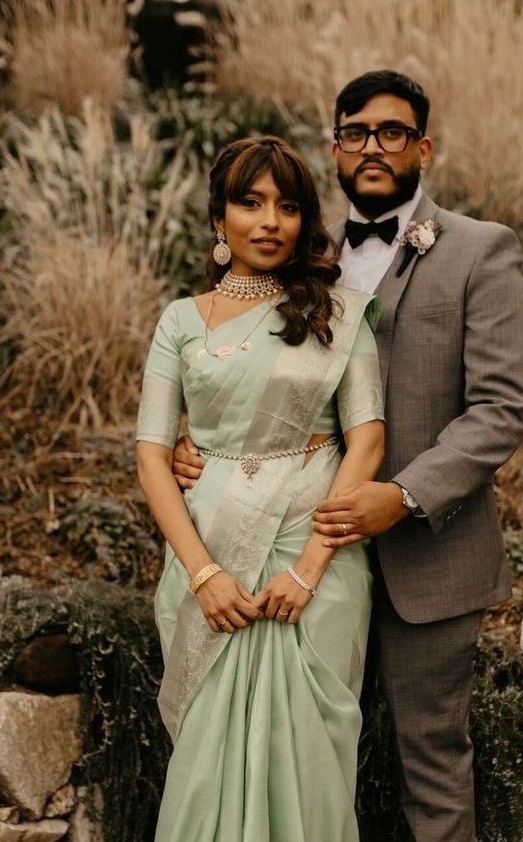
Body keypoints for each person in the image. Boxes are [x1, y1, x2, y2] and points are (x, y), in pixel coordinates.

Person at [173, 71, 523, 842]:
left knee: (430, 764)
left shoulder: (480, 249)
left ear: (422, 148)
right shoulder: (303, 250)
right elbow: (243, 367)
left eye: (392, 131)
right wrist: (196, 440)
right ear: (335, 149)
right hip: (304, 554)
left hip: (424, 557)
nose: (373, 146)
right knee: (306, 757)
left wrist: (401, 495)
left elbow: (502, 409)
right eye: (356, 132)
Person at [136, 136, 385, 842]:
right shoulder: (181, 321)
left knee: (309, 760)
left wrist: (307, 570)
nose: (270, 221)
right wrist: (205, 574)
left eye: (287, 206)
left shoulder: (339, 316)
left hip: (316, 560)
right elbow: (152, 454)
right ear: (220, 219)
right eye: (250, 203)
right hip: (209, 549)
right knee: (206, 764)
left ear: (305, 221)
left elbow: (367, 442)